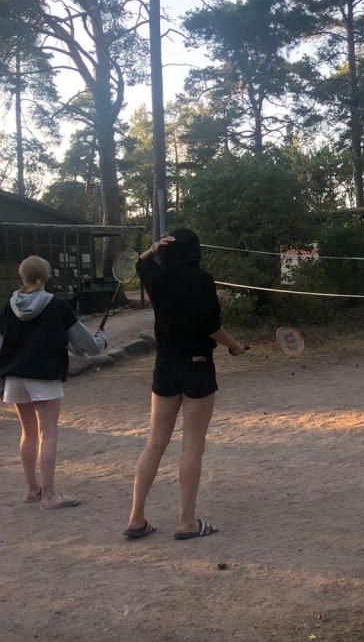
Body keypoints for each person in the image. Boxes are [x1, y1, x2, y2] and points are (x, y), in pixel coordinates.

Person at [124, 229, 246, 541]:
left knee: (155, 442)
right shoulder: (202, 279)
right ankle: (187, 522)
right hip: (198, 366)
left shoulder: (156, 279)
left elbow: (140, 264)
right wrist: (234, 345)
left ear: (167, 250)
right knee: (192, 446)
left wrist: (153, 249)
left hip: (166, 366)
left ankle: (136, 519)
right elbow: (211, 327)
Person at [0, 255, 107, 509]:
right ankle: (49, 496)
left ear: (23, 276)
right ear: (46, 276)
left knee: (28, 433)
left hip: (15, 377)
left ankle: (32, 490)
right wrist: (101, 340)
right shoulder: (57, 306)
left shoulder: (8, 307)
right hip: (45, 377)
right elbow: (85, 345)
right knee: (48, 433)